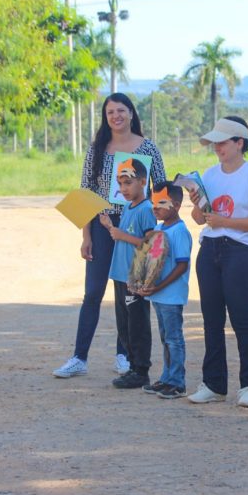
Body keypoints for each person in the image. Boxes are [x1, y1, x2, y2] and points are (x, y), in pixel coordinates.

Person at [54, 93, 166, 379]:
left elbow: (160, 189)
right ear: (106, 117)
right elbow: (86, 195)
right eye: (110, 112)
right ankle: (79, 357)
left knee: (127, 292)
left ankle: (124, 355)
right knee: (93, 292)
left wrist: (157, 228)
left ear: (131, 113)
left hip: (135, 225)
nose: (115, 116)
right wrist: (86, 235)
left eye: (120, 110)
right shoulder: (97, 149)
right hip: (103, 224)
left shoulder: (148, 148)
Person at [186, 116, 248, 408]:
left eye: (222, 142)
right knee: (211, 320)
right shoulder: (210, 175)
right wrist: (196, 201)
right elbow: (201, 218)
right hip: (210, 248)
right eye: (215, 143)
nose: (217, 148)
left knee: (241, 319)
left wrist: (227, 222)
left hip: (241, 251)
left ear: (240, 142)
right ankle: (213, 384)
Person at [103, 158, 157, 389]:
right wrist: (109, 227)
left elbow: (151, 243)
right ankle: (132, 367)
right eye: (120, 183)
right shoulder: (127, 207)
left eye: (128, 183)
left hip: (135, 277)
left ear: (143, 182)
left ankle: (141, 370)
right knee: (124, 324)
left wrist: (121, 235)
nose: (123, 188)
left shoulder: (146, 209)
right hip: (120, 274)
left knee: (137, 323)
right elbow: (122, 235)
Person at [138, 182, 193, 400]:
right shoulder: (159, 229)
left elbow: (182, 265)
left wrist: (159, 286)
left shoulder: (180, 231)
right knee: (165, 338)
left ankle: (177, 382)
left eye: (161, 203)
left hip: (170, 295)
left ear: (177, 205)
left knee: (173, 339)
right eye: (153, 203)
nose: (155, 208)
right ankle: (167, 377)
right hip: (159, 294)